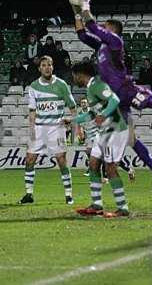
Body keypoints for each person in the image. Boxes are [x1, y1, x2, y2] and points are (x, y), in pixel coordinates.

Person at [69, 0, 152, 190]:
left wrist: (84, 4)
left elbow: (91, 25)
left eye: (106, 26)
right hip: (116, 98)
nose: (102, 27)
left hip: (129, 91)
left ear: (113, 30)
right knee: (130, 139)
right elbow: (82, 34)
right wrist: (76, 11)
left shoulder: (116, 42)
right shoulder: (101, 46)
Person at [68, 60, 130, 217]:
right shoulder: (91, 88)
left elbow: (114, 100)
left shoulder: (97, 85)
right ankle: (96, 205)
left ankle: (123, 208)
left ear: (80, 74)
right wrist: (72, 120)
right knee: (94, 163)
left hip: (114, 130)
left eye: (74, 75)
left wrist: (104, 114)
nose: (73, 79)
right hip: (103, 132)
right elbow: (91, 114)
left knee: (110, 168)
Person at [19, 56, 78, 205]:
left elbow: (72, 107)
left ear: (53, 67)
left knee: (61, 160)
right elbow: (32, 111)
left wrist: (75, 125)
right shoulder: (33, 86)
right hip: (39, 128)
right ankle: (29, 194)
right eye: (44, 65)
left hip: (56, 128)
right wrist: (31, 130)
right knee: (30, 160)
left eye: (49, 65)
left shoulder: (62, 85)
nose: (47, 68)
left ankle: (69, 195)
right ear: (39, 68)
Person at [78, 97, 135, 182]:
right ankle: (127, 170)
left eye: (85, 102)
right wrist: (81, 133)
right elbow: (81, 125)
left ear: (87, 103)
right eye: (82, 103)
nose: (84, 104)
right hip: (89, 138)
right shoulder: (80, 114)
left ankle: (105, 177)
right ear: (80, 104)